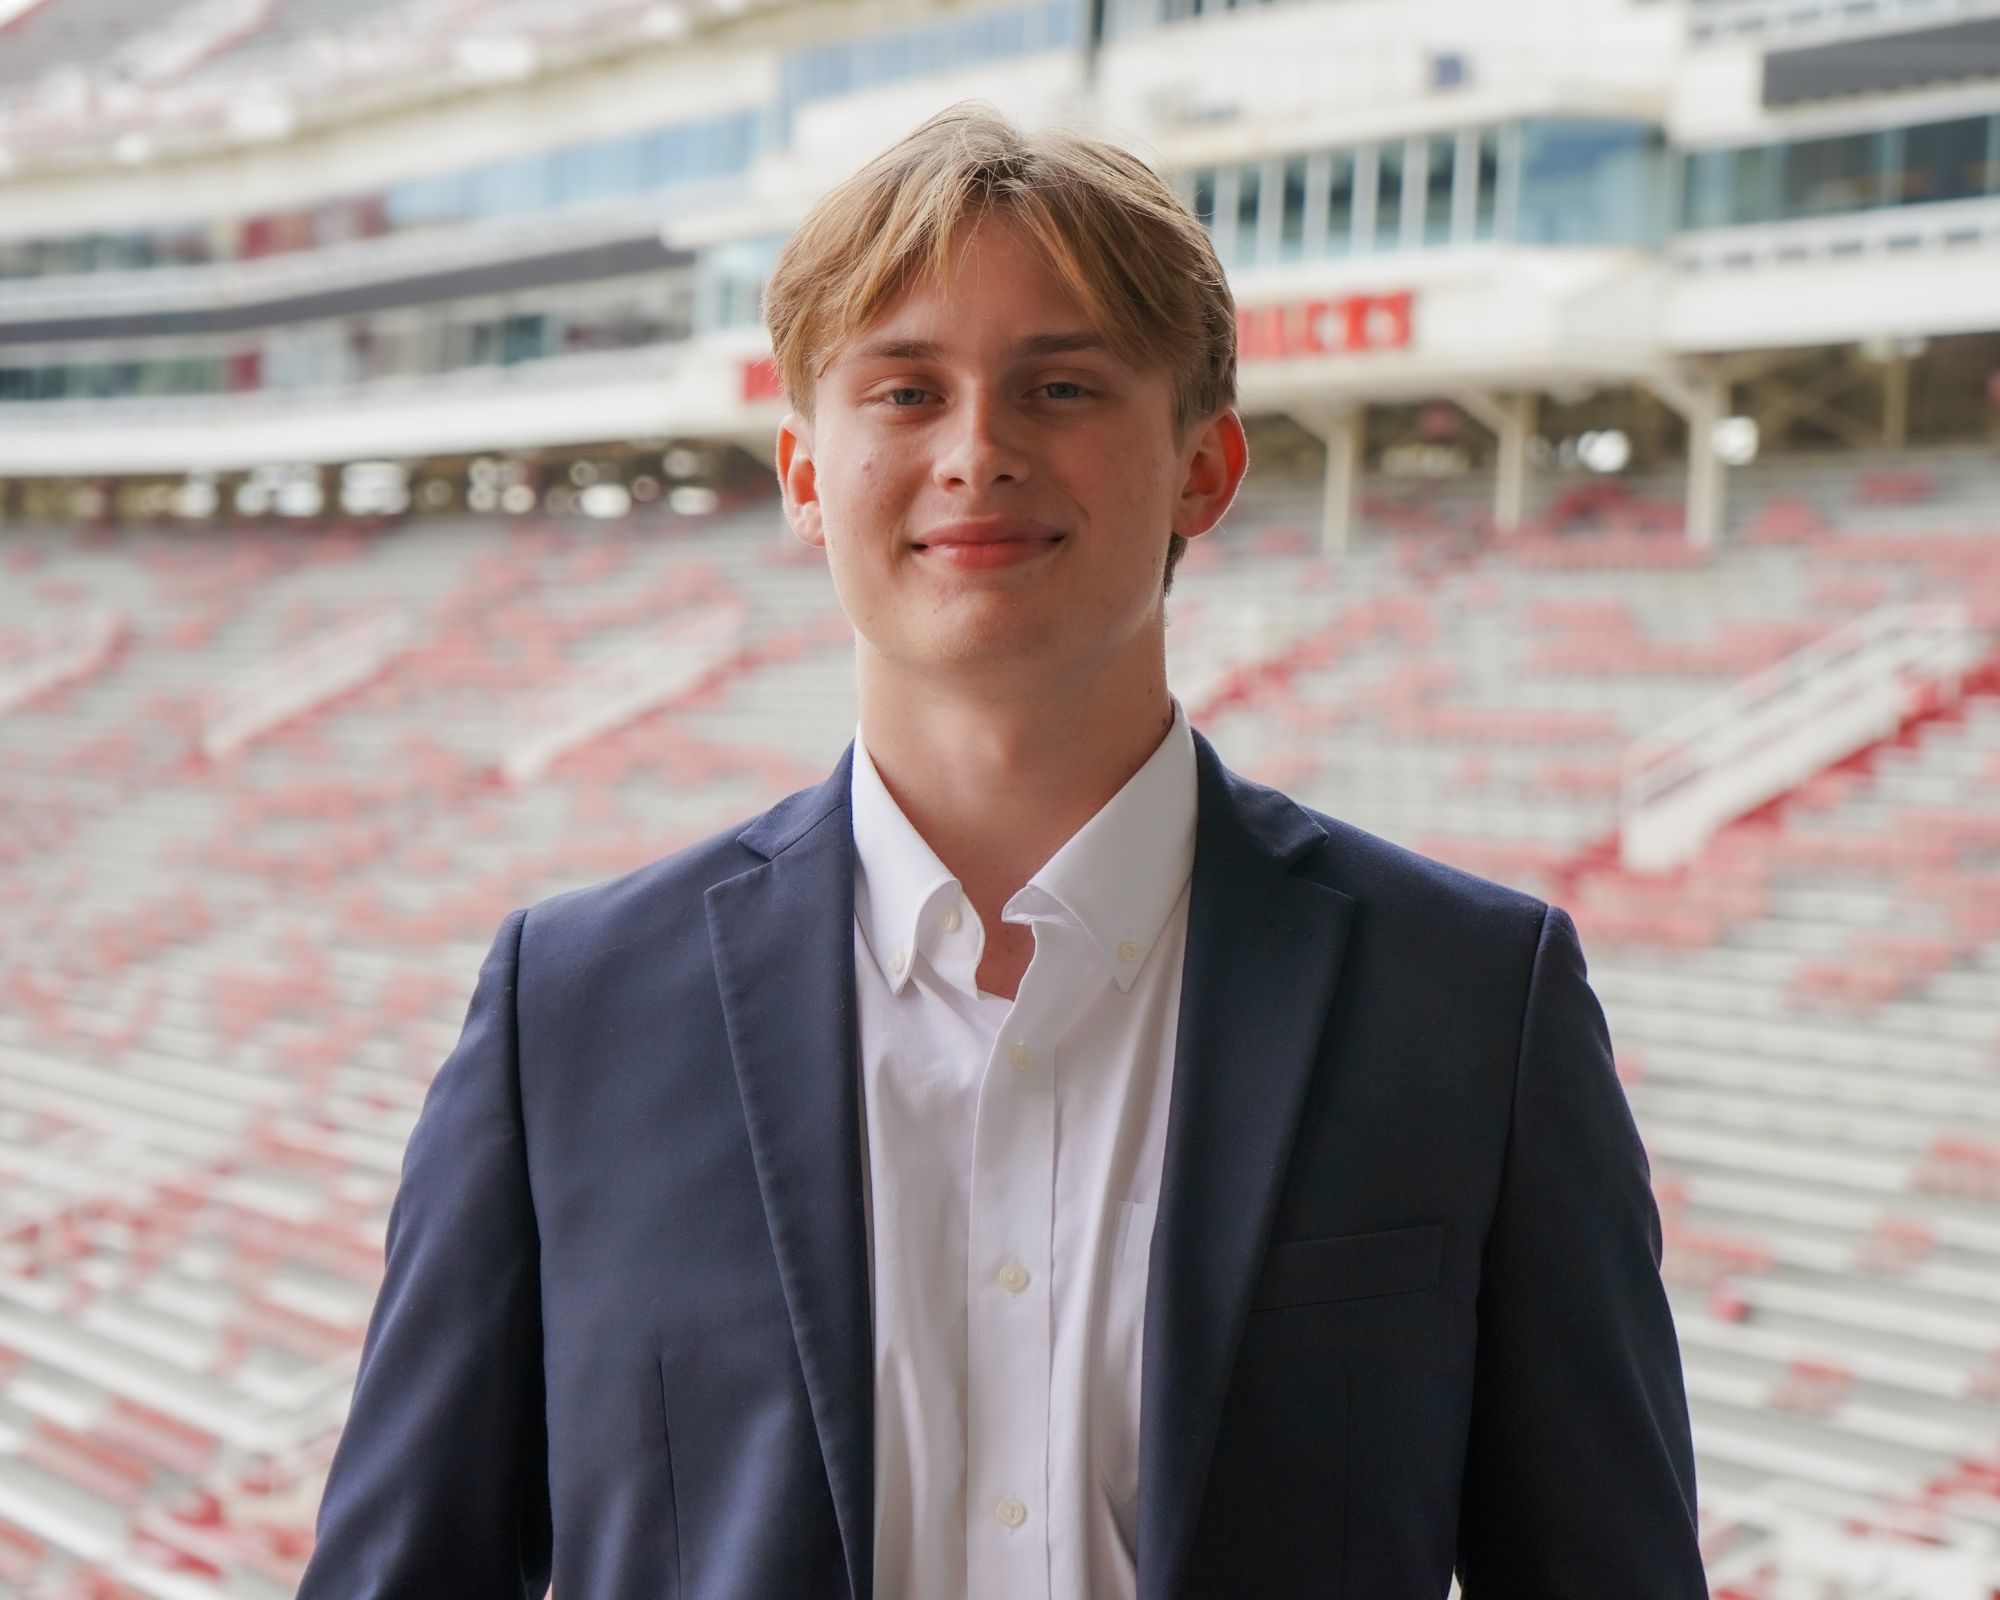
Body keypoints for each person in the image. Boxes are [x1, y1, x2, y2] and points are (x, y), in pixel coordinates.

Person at [296, 103, 1706, 1600]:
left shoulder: (1475, 1003)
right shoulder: (567, 1012)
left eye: (1062, 386)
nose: (978, 450)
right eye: (904, 391)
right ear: (804, 473)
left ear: (1203, 468)